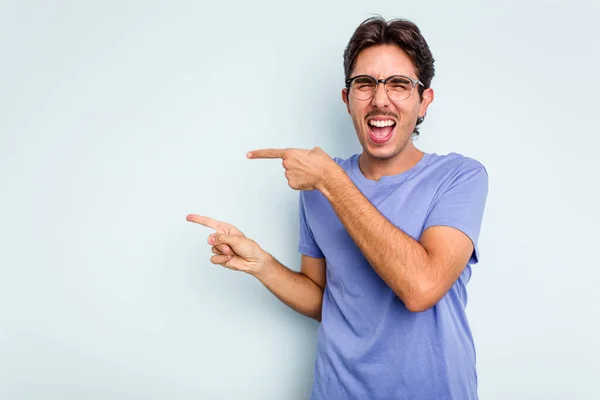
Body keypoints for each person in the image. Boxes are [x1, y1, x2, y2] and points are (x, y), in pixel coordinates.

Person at [187, 15, 488, 400]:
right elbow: (323, 298)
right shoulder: (318, 186)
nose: (380, 99)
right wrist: (261, 264)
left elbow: (421, 287)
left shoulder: (459, 177)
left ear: (423, 100)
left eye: (399, 84)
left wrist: (331, 182)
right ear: (347, 100)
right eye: (365, 84)